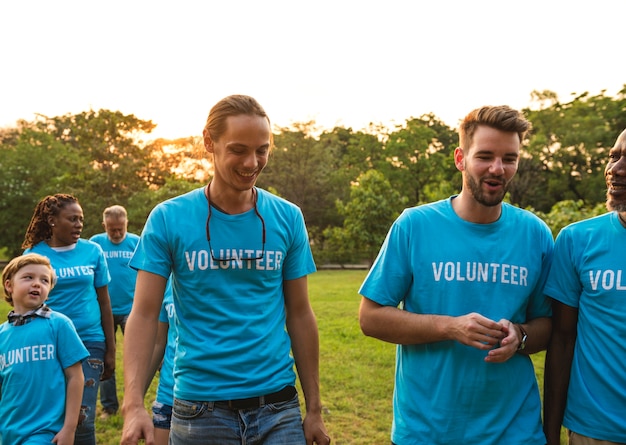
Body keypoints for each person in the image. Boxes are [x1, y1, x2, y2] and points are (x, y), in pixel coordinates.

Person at [121, 94, 330, 445]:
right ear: (208, 142)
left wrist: (314, 409)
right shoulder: (169, 218)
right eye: (238, 150)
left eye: (262, 150)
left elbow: (300, 314)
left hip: (278, 408)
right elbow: (143, 314)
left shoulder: (287, 217)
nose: (252, 162)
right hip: (199, 411)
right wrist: (133, 405)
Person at [358, 105, 554, 445]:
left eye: (510, 158)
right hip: (427, 432)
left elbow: (550, 326)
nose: (498, 168)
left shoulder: (535, 234)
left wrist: (520, 335)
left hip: (514, 432)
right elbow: (370, 319)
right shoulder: (415, 226)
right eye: (485, 156)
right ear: (460, 158)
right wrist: (450, 327)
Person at [543, 129, 626, 445]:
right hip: (592, 431)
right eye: (613, 156)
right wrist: (550, 435)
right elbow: (562, 339)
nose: (615, 169)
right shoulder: (576, 240)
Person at [22, 193, 116, 445]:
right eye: (72, 219)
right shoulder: (34, 253)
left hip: (89, 341)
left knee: (82, 417)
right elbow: (26, 301)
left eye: (81, 219)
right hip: (48, 340)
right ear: (52, 220)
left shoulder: (93, 251)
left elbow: (105, 302)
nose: (79, 225)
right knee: (53, 413)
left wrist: (111, 349)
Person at [0, 253, 89, 445]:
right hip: (8, 431)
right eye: (28, 277)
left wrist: (69, 428)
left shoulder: (58, 324)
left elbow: (76, 376)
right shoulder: (2, 335)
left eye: (44, 280)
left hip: (45, 431)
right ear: (9, 285)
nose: (37, 283)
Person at [90, 204, 140, 418]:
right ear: (105, 226)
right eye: (112, 229)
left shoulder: (136, 243)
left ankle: (135, 404)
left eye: (121, 228)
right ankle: (109, 407)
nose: (117, 233)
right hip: (104, 311)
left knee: (136, 357)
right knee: (105, 358)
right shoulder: (96, 244)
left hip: (132, 309)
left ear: (126, 223)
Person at [145, 280, 176, 445]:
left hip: (206, 398)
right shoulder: (166, 284)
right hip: (168, 393)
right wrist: (135, 400)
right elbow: (158, 343)